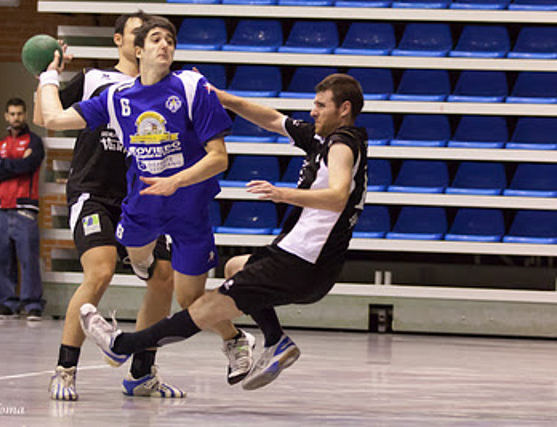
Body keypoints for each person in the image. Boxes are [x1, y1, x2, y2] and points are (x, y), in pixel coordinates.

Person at [79, 72, 368, 390]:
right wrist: (221, 97)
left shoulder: (341, 144)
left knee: (203, 308)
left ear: (344, 109)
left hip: (300, 263)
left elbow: (338, 196)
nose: (313, 111)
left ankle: (121, 345)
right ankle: (275, 340)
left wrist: (283, 194)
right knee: (235, 266)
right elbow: (272, 119)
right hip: (308, 264)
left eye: (320, 105)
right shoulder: (320, 139)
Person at [36, 14, 253, 401]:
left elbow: (219, 156)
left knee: (181, 293)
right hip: (120, 200)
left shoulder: (189, 86)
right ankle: (66, 369)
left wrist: (177, 180)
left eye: (169, 38)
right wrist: (47, 75)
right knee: (107, 270)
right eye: (154, 37)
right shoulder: (107, 89)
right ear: (132, 46)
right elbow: (49, 118)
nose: (164, 44)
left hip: (183, 204)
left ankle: (156, 364)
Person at [0, 97, 45, 321]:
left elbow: (30, 165)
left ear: (25, 114)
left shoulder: (35, 142)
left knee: (28, 258)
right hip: (1, 207)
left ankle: (32, 304)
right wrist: (16, 164)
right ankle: (7, 303)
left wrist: (6, 165)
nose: (16, 118)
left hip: (25, 208)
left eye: (20, 113)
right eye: (12, 114)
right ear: (6, 116)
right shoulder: (0, 144)